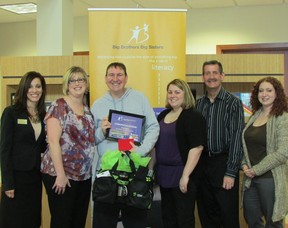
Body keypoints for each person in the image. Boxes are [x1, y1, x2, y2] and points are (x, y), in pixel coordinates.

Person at [91, 62, 160, 228]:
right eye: (111, 75)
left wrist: (142, 150)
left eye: (119, 75)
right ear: (105, 79)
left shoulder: (140, 99)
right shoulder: (97, 105)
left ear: (126, 78)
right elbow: (90, 139)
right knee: (103, 223)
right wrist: (101, 131)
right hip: (107, 175)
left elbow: (153, 127)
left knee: (135, 223)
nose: (116, 79)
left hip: (135, 174)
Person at [41, 66, 96, 228]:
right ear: (67, 84)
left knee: (78, 221)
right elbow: (52, 141)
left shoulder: (87, 110)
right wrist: (60, 175)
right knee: (62, 221)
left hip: (83, 177)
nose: (77, 83)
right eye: (73, 80)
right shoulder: (59, 106)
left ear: (86, 84)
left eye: (81, 80)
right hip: (61, 175)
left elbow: (88, 141)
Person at [196, 60, 244, 228]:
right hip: (202, 166)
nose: (211, 77)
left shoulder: (233, 103)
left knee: (228, 216)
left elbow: (237, 137)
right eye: (207, 73)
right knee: (207, 215)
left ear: (222, 76)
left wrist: (231, 172)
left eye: (215, 73)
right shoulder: (198, 104)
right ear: (203, 77)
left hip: (224, 165)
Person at [154, 79, 206, 227]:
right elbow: (156, 146)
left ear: (186, 94)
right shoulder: (162, 115)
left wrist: (185, 176)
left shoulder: (193, 117)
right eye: (170, 92)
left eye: (177, 92)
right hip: (164, 174)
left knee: (184, 219)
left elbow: (197, 148)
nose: (173, 95)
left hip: (182, 175)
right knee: (167, 217)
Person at [0, 71, 47, 228]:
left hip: (34, 177)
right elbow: (4, 150)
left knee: (32, 220)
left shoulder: (43, 115)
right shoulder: (11, 113)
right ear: (24, 88)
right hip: (16, 179)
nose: (35, 90)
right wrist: (7, 183)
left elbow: (42, 146)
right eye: (30, 86)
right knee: (13, 221)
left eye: (38, 86)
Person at [241, 77, 288, 228]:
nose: (264, 94)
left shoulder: (283, 117)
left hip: (271, 179)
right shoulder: (254, 115)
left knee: (273, 223)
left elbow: (283, 152)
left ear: (277, 93)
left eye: (269, 90)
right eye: (261, 90)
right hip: (250, 180)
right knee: (252, 220)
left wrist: (256, 170)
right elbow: (246, 146)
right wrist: (243, 165)